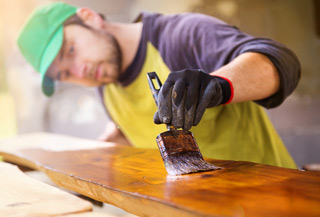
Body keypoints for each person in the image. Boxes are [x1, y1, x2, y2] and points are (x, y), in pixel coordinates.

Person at [17, 2, 300, 168]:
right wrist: (92, 162)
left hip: (271, 216)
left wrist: (218, 85)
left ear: (90, 18)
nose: (79, 71)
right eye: (65, 74)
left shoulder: (180, 36)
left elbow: (279, 63)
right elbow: (133, 133)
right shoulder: (106, 87)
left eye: (70, 51)